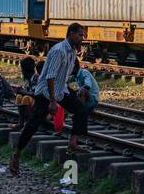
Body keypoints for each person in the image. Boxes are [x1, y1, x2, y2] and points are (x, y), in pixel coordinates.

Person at [9, 24, 87, 177]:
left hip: (61, 89)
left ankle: (73, 143)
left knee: (80, 109)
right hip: (46, 92)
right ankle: (16, 154)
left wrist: (75, 90)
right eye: (79, 35)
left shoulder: (72, 51)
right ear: (70, 33)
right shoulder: (59, 51)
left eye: (82, 35)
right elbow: (50, 76)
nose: (82, 38)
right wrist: (52, 101)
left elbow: (63, 75)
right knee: (33, 123)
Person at [11, 56, 39, 131]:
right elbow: (28, 91)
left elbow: (36, 94)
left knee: (26, 98)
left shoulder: (36, 78)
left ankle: (30, 124)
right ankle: (21, 123)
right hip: (34, 104)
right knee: (19, 96)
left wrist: (24, 92)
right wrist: (21, 91)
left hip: (39, 105)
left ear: (24, 70)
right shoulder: (29, 79)